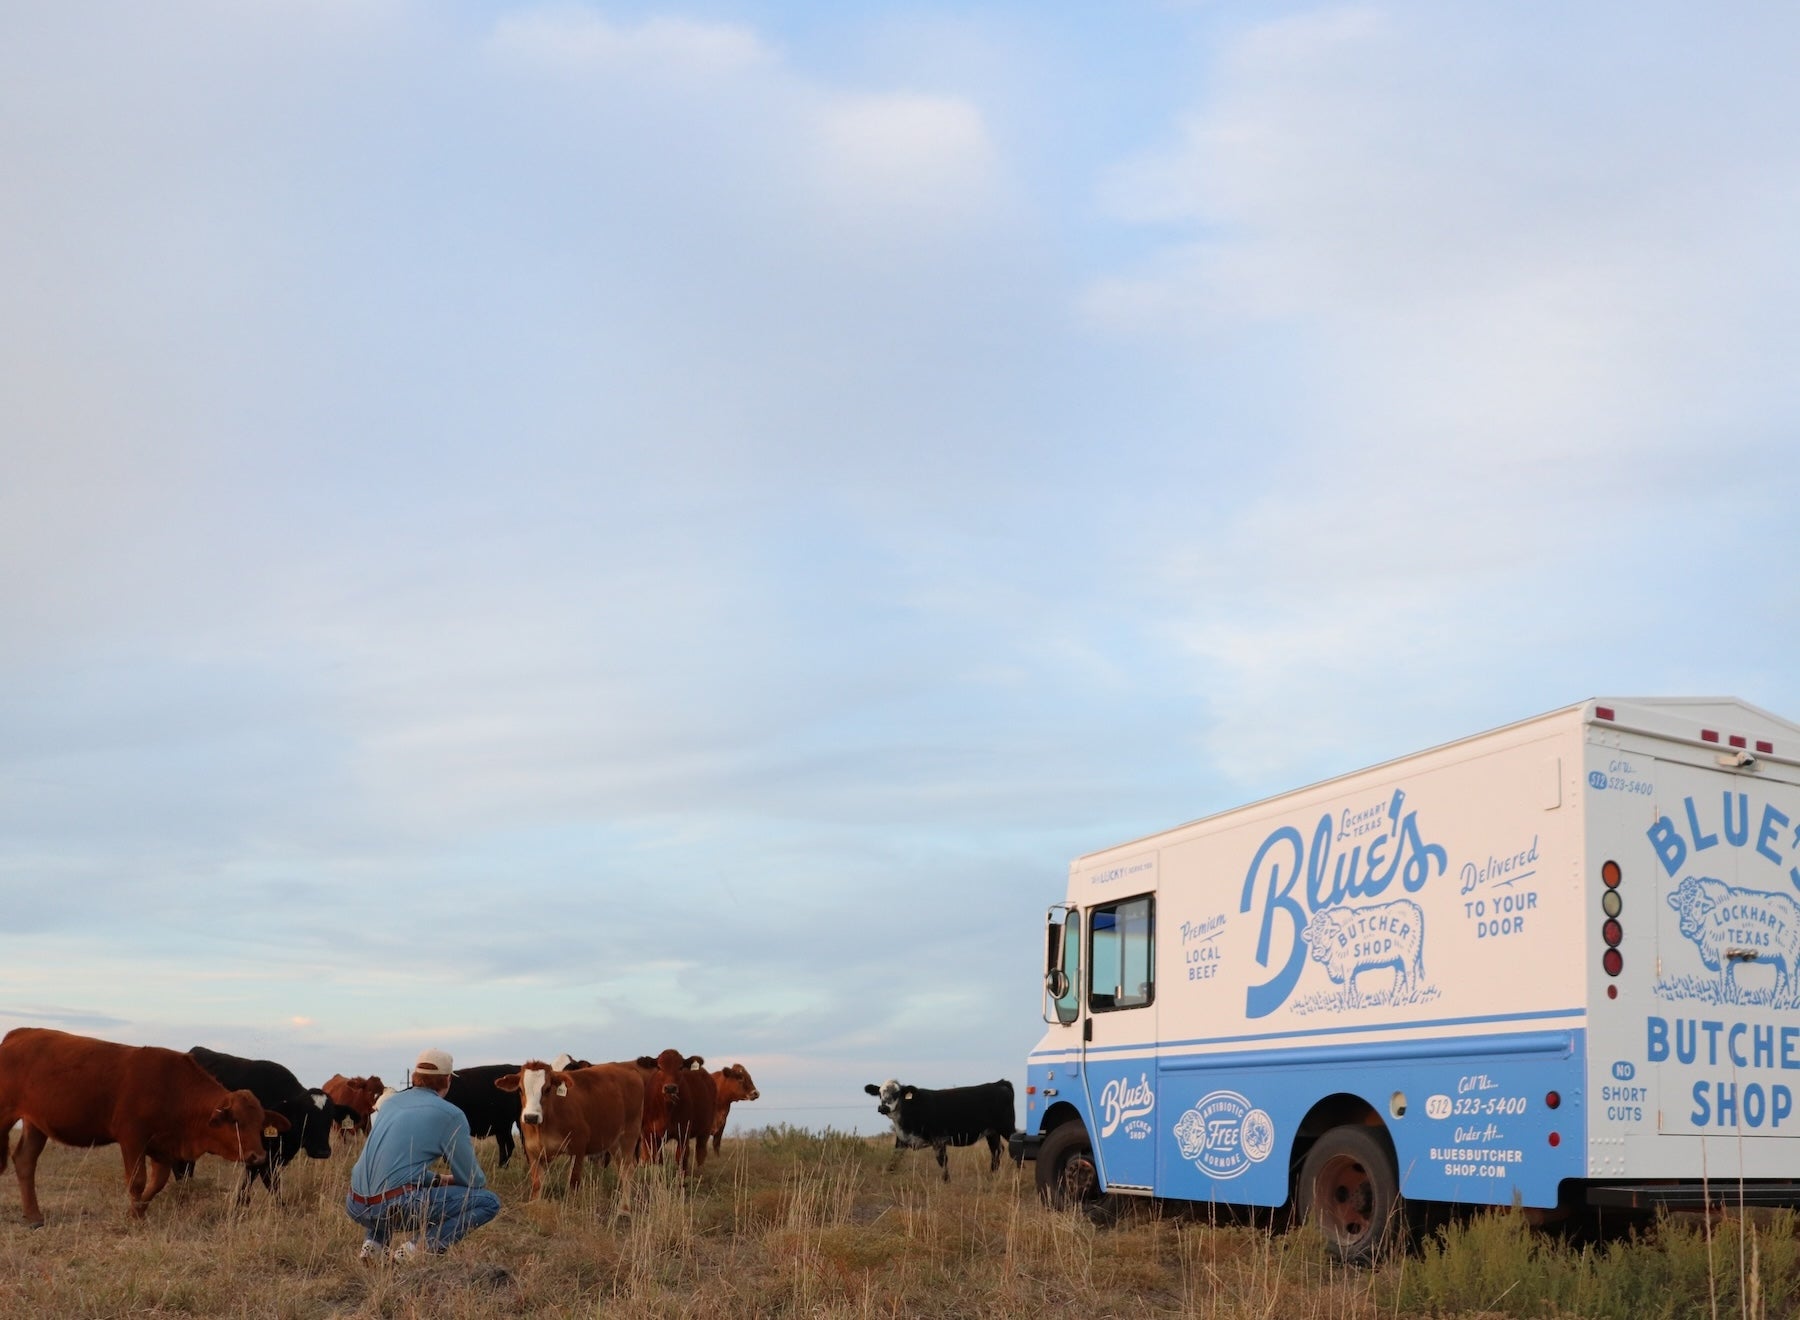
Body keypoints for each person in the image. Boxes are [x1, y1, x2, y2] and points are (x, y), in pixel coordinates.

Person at [345, 1048, 501, 1261]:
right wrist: (455, 1181)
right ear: (447, 1080)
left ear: (415, 1077)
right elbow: (473, 1179)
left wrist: (437, 1179)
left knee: (389, 1186)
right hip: (392, 1207)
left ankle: (374, 1246)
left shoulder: (390, 1103)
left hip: (355, 1204)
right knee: (488, 1202)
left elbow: (393, 1164)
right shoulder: (450, 1114)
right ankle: (415, 1251)